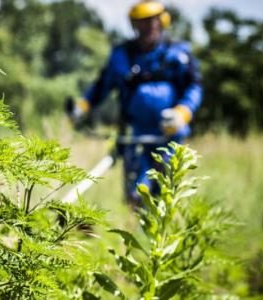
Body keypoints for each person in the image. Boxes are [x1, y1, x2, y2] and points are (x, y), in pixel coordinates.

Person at [68, 0, 202, 206]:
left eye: (153, 20)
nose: (149, 26)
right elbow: (101, 86)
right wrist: (82, 107)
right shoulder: (121, 56)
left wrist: (183, 112)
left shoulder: (179, 53)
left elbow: (194, 87)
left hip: (169, 138)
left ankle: (160, 236)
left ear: (163, 20)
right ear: (133, 24)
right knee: (136, 196)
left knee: (168, 196)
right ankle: (136, 232)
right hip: (134, 138)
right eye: (142, 21)